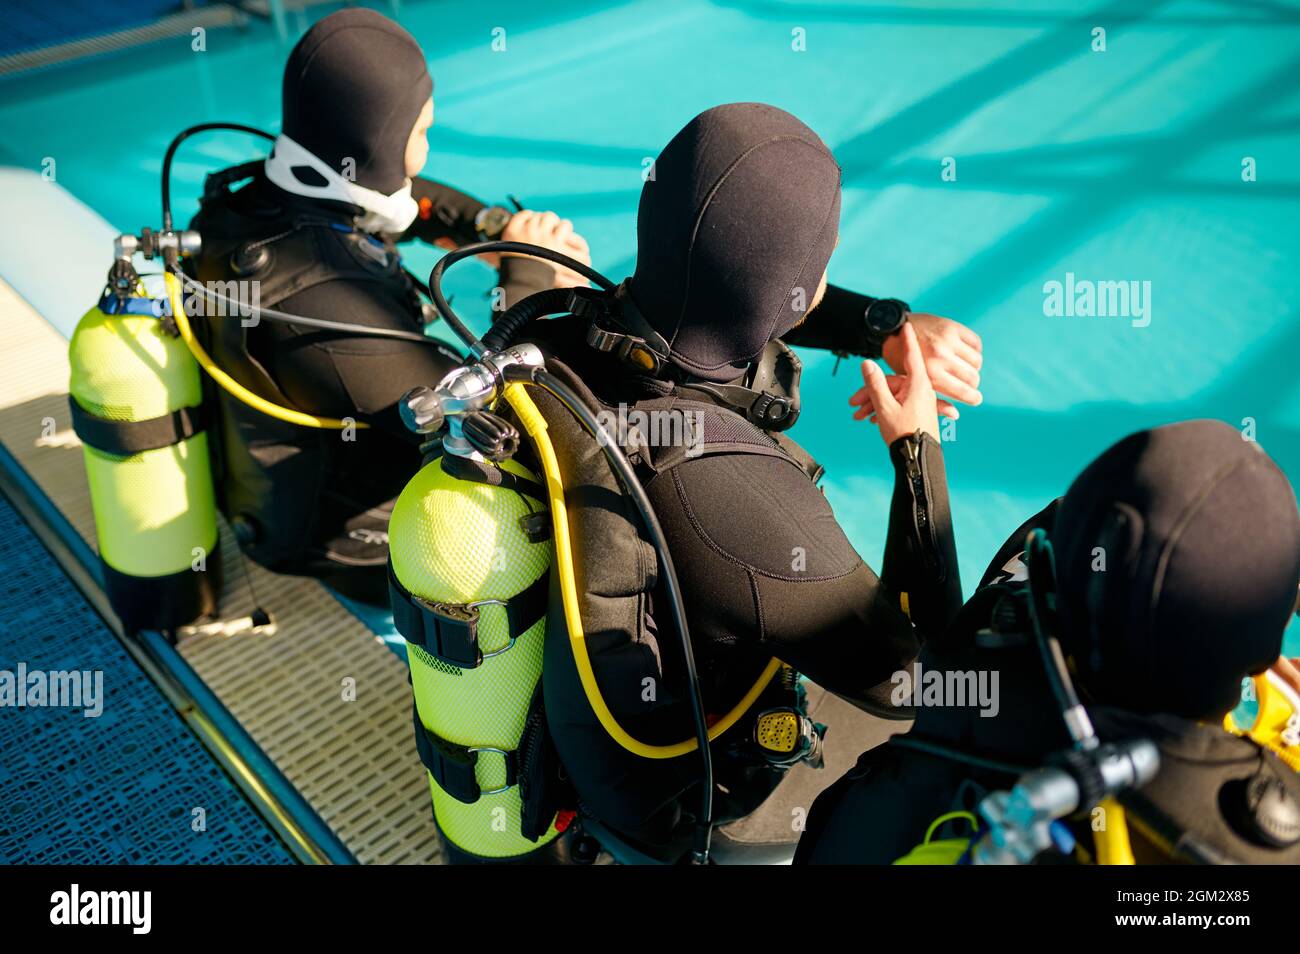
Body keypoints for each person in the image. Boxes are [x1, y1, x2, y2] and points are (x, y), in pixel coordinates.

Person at [518, 102, 982, 848]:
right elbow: (924, 685)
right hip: (688, 811)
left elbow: (728, 286)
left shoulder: (545, 337)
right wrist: (919, 451)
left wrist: (887, 327)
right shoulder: (738, 497)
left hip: (578, 741)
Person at [185, 8, 589, 603]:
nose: (425, 150)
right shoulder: (331, 315)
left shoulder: (243, 206)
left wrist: (495, 228)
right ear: (377, 141)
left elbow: (399, 196)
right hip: (346, 544)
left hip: (266, 486)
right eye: (419, 133)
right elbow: (505, 423)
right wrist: (527, 267)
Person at [795, 419, 1300, 864]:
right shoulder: (1256, 829)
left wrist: (918, 448)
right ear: (1263, 653)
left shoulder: (978, 659)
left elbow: (1076, 535)